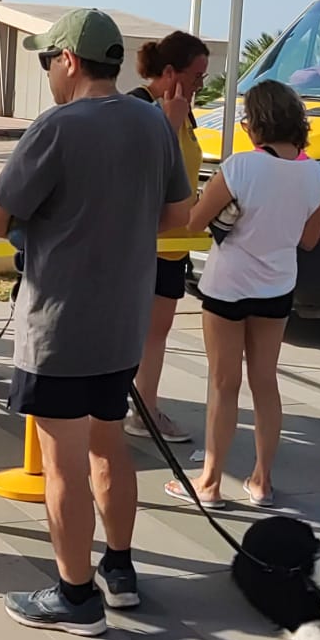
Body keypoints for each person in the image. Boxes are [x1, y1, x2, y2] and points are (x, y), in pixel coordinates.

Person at [0, 9, 190, 636]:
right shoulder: (153, 123)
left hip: (61, 326)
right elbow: (176, 214)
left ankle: (75, 596)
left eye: (48, 60)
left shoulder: (58, 126)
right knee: (109, 444)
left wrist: (45, 225)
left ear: (69, 60)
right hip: (124, 319)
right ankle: (118, 571)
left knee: (62, 460)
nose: (47, 71)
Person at [172, 81, 320, 509]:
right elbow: (310, 239)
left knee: (224, 384)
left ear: (256, 122)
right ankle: (262, 480)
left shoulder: (240, 167)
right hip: (277, 285)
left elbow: (193, 221)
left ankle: (210, 482)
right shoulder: (316, 174)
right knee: (265, 382)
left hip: (228, 285)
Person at [124, 30, 211, 443]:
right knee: (131, 328)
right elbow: (141, 172)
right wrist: (170, 122)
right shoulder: (138, 109)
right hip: (145, 240)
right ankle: (134, 407)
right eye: (196, 76)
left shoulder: (185, 110)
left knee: (156, 332)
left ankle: (146, 405)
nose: (199, 86)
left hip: (175, 243)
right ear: (170, 71)